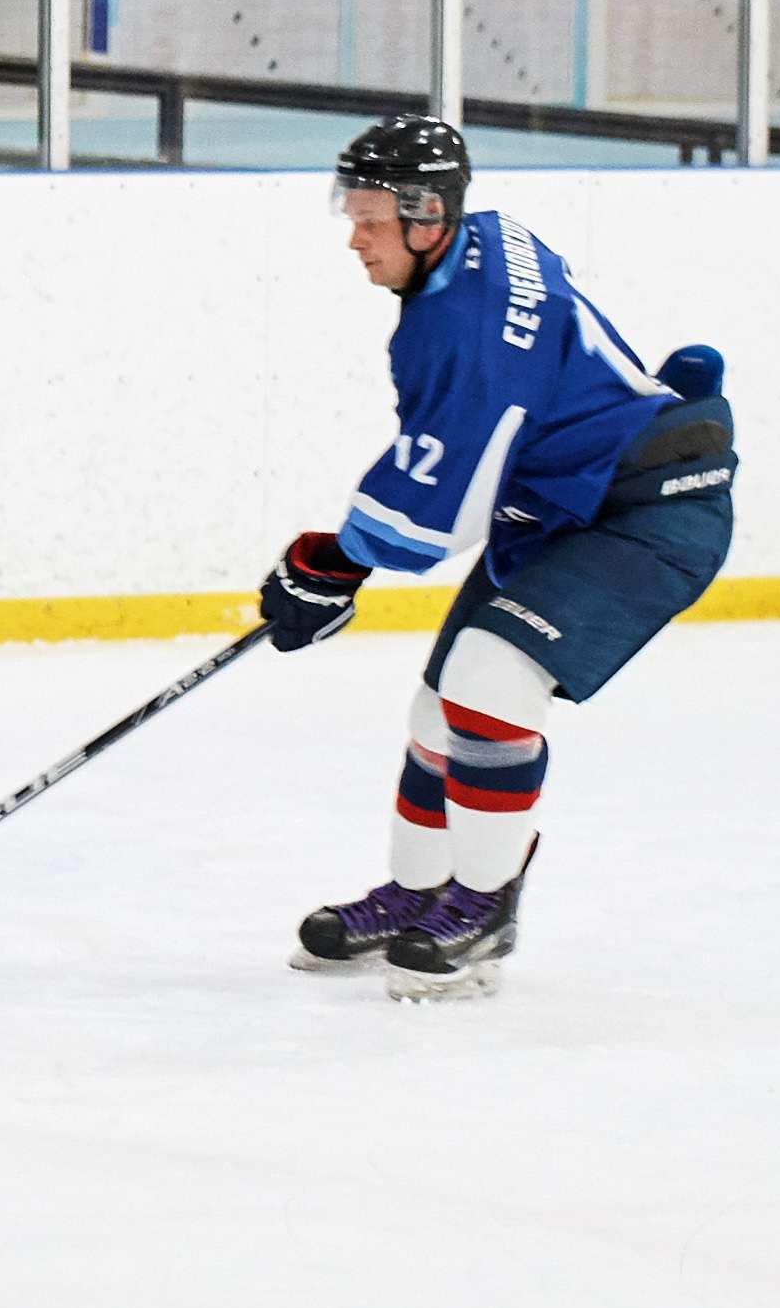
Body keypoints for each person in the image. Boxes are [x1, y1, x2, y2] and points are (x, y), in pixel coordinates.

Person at [258, 116, 738, 1001]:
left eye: (369, 220)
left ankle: (482, 904)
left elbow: (431, 519)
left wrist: (333, 559)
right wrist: (339, 562)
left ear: (427, 216)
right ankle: (415, 893)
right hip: (566, 501)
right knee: (440, 711)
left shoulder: (466, 331)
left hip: (646, 512)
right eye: (350, 215)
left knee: (486, 685)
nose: (353, 239)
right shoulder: (487, 238)